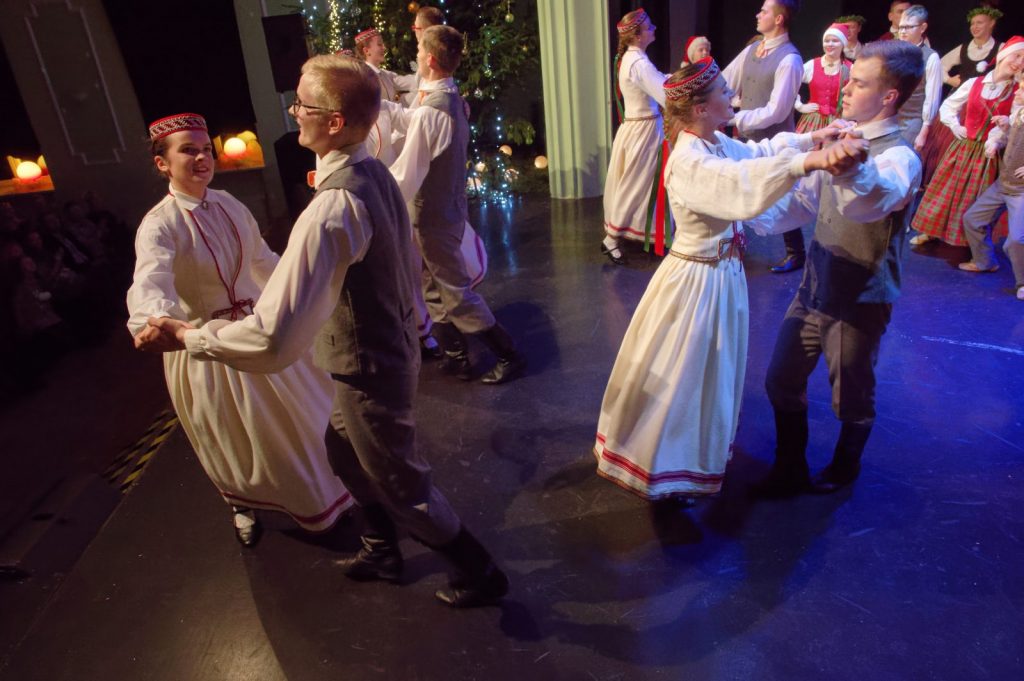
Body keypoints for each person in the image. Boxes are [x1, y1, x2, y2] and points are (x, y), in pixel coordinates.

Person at [148, 57, 508, 608]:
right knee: (341, 453)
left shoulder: (334, 207)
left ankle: (479, 571)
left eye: (303, 106)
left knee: (401, 484)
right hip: (380, 351)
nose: (295, 114)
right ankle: (381, 550)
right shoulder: (374, 173)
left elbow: (273, 339)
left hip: (370, 365)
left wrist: (190, 338)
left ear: (334, 122)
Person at [594, 58, 853, 501]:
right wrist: (805, 163)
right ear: (699, 108)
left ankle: (692, 460)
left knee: (709, 372)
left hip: (719, 277)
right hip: (695, 284)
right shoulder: (689, 159)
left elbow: (754, 155)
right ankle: (664, 466)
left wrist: (811, 139)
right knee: (685, 374)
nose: (732, 96)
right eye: (722, 92)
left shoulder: (713, 141)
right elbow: (738, 182)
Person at [128, 113, 353, 546]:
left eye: (205, 149)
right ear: (162, 163)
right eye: (188, 150)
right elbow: (149, 281)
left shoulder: (229, 203)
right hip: (207, 347)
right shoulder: (160, 224)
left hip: (256, 332)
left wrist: (302, 292)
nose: (201, 158)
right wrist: (151, 321)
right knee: (233, 439)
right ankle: (243, 504)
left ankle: (322, 496)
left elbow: (263, 261)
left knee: (305, 419)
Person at [751, 40, 925, 496]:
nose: (846, 89)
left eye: (859, 84)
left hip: (859, 298)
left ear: (889, 96)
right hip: (814, 287)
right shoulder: (842, 138)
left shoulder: (899, 156)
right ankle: (789, 469)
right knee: (781, 380)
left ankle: (845, 469)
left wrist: (848, 166)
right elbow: (804, 202)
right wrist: (743, 216)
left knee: (851, 396)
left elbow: (869, 202)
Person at [390, 25, 526, 384]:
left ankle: (508, 354)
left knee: (454, 290)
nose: (416, 55)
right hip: (443, 209)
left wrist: (373, 191)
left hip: (434, 214)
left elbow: (406, 175)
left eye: (420, 50)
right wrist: (381, 107)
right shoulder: (448, 96)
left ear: (431, 60)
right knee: (431, 284)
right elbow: (413, 119)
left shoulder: (433, 111)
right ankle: (457, 356)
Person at [910, 38, 1023, 247]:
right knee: (944, 192)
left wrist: (998, 138)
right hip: (963, 147)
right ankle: (930, 231)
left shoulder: (1017, 92)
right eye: (1016, 55)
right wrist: (955, 126)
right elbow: (948, 106)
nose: (1019, 63)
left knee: (972, 199)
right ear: (1004, 55)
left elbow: (1015, 126)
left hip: (987, 155)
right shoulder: (975, 83)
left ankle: (966, 242)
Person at [723, 0, 806, 274]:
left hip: (776, 140)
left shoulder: (790, 59)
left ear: (779, 19)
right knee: (738, 188)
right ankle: (734, 244)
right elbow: (725, 81)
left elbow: (777, 111)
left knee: (780, 194)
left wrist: (736, 118)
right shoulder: (752, 50)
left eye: (764, 11)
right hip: (748, 137)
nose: (758, 14)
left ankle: (796, 252)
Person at [600, 8, 671, 265]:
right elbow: (663, 94)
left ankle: (648, 233)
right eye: (649, 27)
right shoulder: (639, 63)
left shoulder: (632, 59)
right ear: (638, 35)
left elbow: (657, 83)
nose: (654, 29)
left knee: (640, 184)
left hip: (638, 127)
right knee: (635, 184)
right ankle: (611, 238)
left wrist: (670, 78)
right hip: (644, 131)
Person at [959, 83, 1024, 300]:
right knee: (973, 219)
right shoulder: (1019, 114)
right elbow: (1013, 140)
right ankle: (985, 261)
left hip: (1021, 190)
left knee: (1016, 240)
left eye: (1022, 89)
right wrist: (1003, 132)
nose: (1017, 92)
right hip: (1003, 182)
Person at [895, 6, 942, 152]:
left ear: (922, 28)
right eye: (901, 27)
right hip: (890, 118)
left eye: (909, 27)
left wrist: (924, 131)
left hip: (911, 121)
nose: (903, 31)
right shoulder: (893, 51)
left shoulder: (930, 57)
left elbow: (932, 97)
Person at [794, 24, 852, 136]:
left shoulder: (849, 68)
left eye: (835, 41)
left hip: (838, 121)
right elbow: (789, 84)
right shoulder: (812, 65)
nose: (830, 44)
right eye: (826, 41)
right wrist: (799, 105)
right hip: (813, 120)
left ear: (843, 44)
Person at [941, 7, 1003, 89]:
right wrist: (949, 80)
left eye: (979, 23)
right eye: (972, 24)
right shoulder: (964, 48)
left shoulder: (1001, 48)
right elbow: (939, 65)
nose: (974, 27)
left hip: (984, 94)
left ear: (991, 23)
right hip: (961, 94)